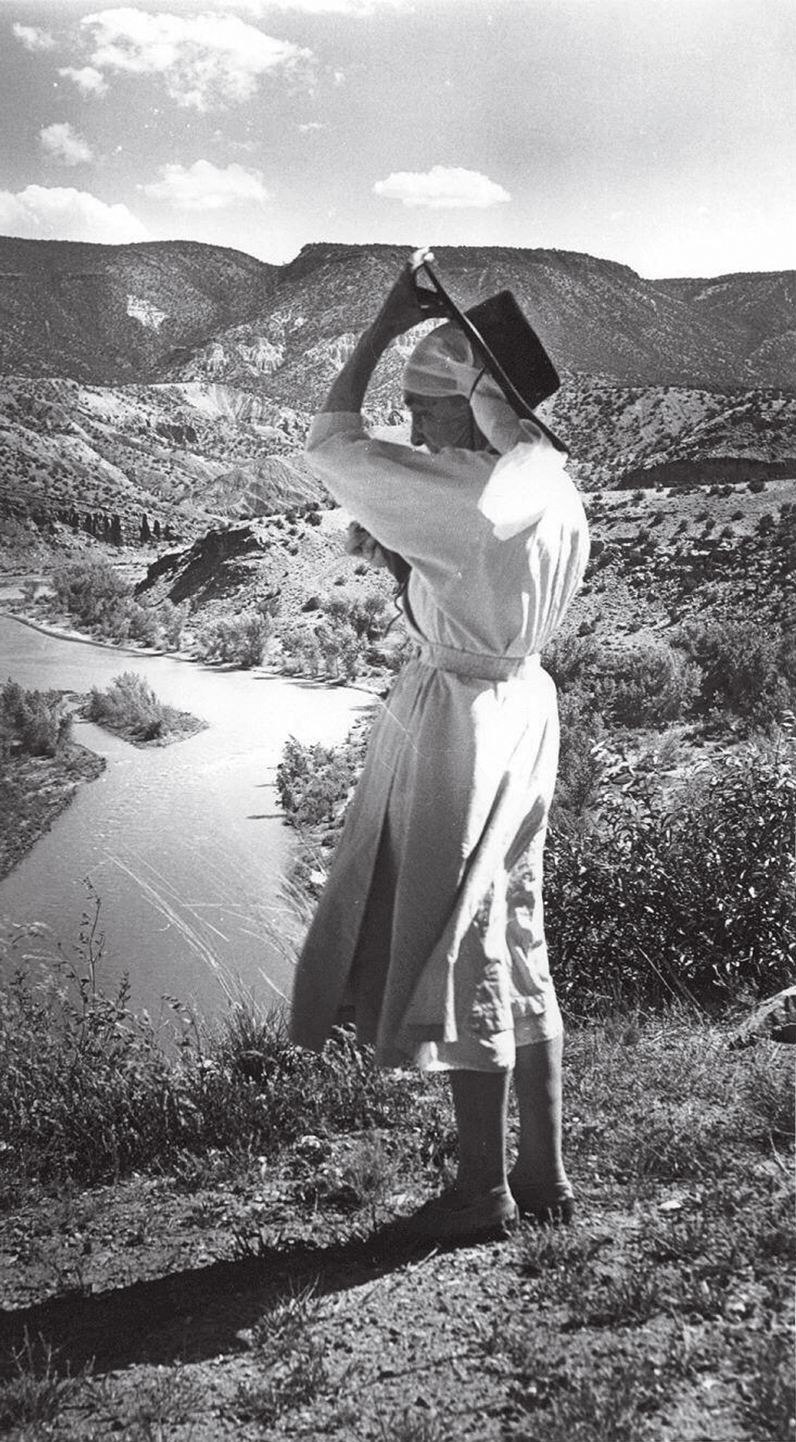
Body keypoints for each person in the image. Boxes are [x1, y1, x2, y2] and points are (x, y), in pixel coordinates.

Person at [289, 254, 590, 1246]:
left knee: (465, 952)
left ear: (461, 412)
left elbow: (332, 439)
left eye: (423, 413)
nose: (413, 433)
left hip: (464, 723)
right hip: (527, 709)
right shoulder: (551, 484)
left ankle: (482, 1189)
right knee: (520, 934)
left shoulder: (462, 498)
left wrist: (380, 322)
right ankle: (543, 1173)